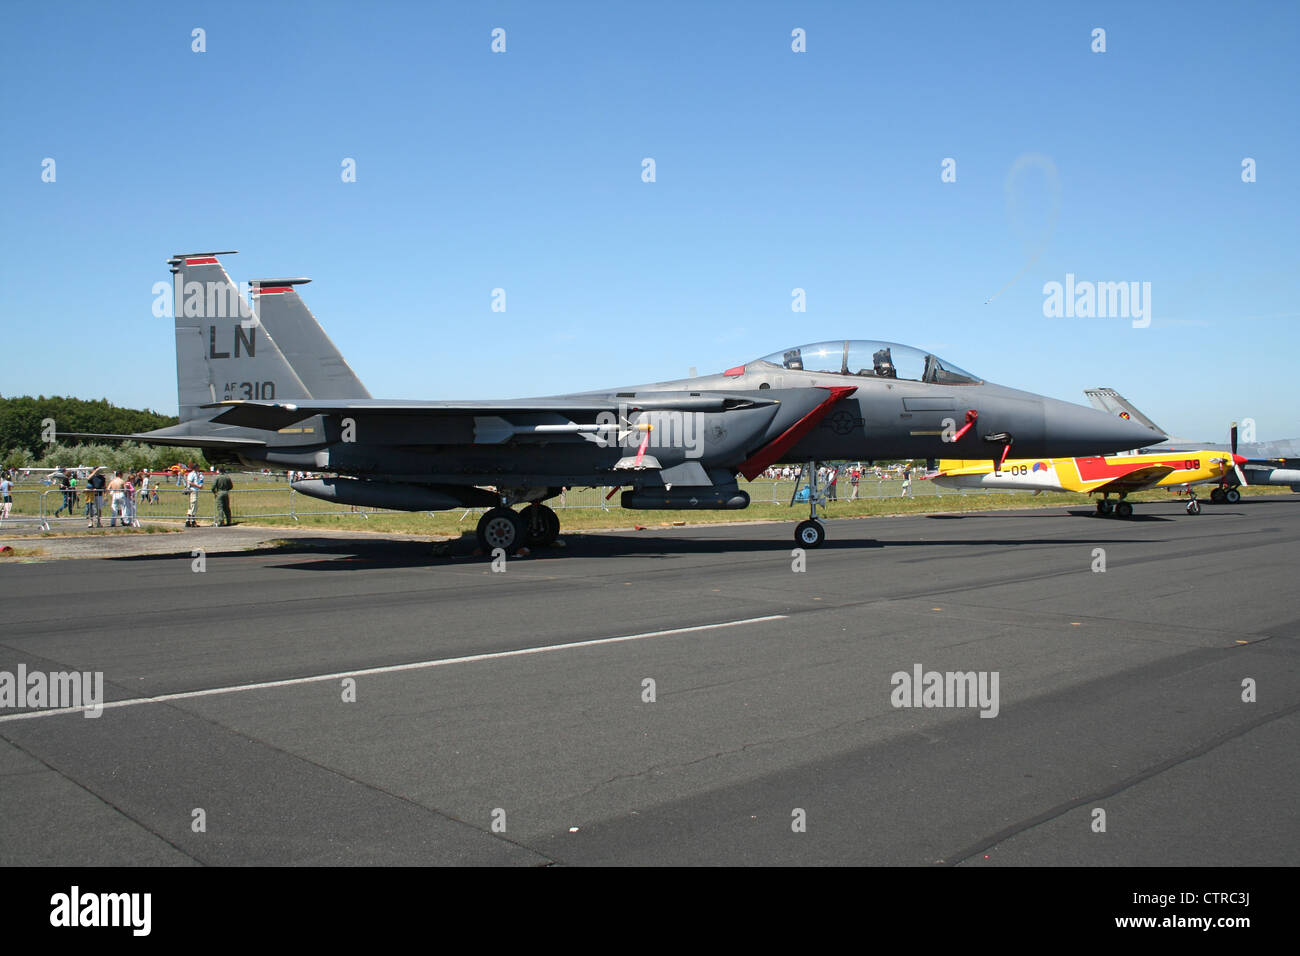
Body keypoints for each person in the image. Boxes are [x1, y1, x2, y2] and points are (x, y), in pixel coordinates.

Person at [184, 463, 203, 527]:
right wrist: (198, 486)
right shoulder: (192, 474)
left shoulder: (197, 474)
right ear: (195, 467)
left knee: (192, 506)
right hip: (193, 491)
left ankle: (188, 521)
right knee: (193, 505)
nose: (199, 468)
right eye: (198, 467)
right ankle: (192, 521)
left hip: (195, 490)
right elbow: (189, 482)